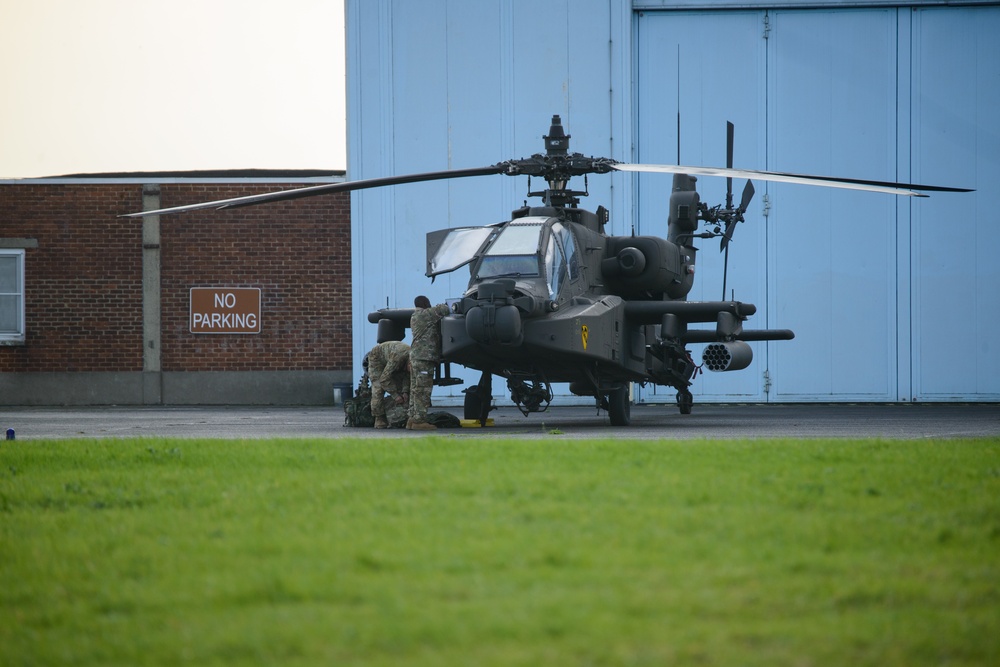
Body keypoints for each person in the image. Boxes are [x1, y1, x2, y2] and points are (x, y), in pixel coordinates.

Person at [407, 295, 450, 430]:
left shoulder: (415, 316)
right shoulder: (424, 314)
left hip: (416, 357)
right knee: (423, 390)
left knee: (415, 389)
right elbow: (444, 309)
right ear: (425, 303)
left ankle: (412, 419)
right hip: (424, 358)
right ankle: (420, 421)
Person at [367, 340, 411, 429]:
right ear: (409, 363)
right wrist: (395, 395)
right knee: (378, 388)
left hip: (392, 359)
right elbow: (384, 379)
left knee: (400, 389)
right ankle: (379, 418)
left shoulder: (412, 359)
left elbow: (407, 376)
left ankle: (397, 416)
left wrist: (405, 392)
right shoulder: (398, 357)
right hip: (377, 358)